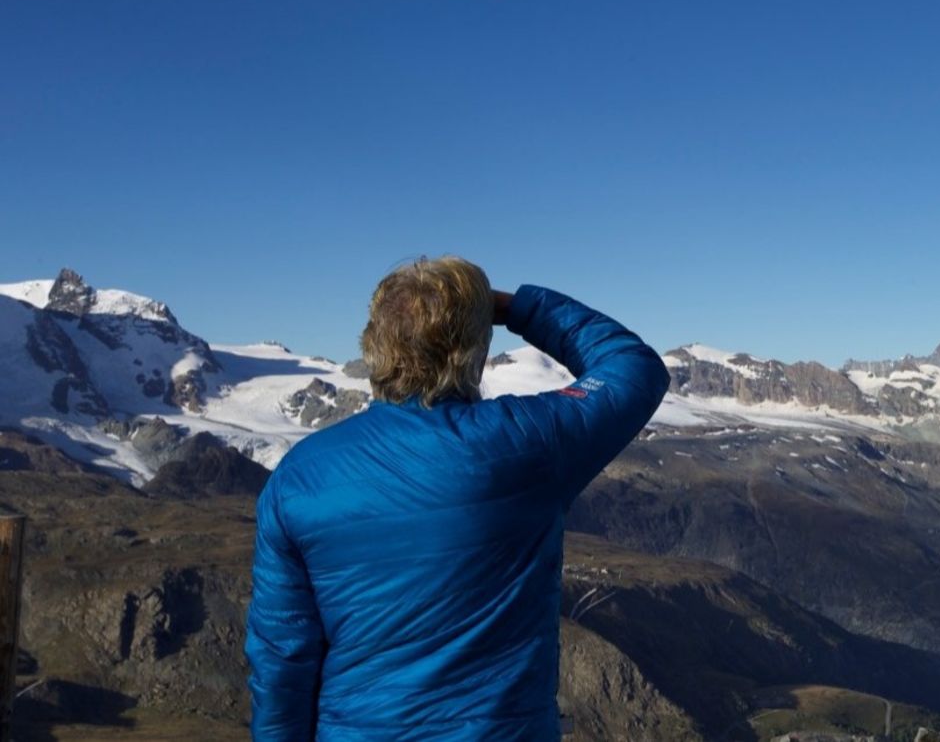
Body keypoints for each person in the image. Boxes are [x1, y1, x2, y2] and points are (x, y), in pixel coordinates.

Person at [244, 256, 671, 741]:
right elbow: (632, 368)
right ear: (470, 349)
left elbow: (281, 657)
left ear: (375, 343)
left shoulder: (299, 475)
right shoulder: (526, 442)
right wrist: (516, 308)